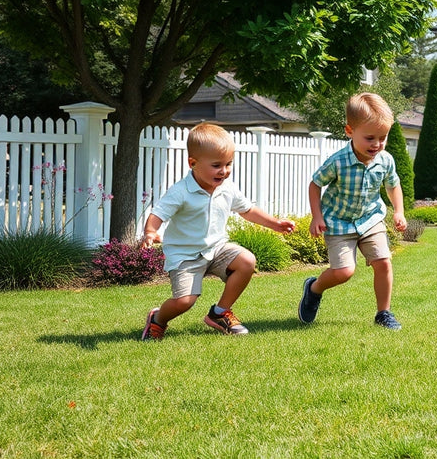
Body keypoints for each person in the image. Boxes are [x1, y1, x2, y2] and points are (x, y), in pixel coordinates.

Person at [140, 123, 295, 340]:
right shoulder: (181, 191)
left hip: (216, 248)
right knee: (184, 302)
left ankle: (219, 313)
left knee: (246, 261)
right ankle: (158, 319)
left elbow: (247, 210)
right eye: (216, 165)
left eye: (228, 164)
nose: (224, 171)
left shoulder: (227, 188)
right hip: (185, 255)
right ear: (193, 163)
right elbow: (159, 213)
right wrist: (150, 231)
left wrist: (275, 224)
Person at [299, 92, 408, 330]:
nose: (377, 144)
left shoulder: (386, 160)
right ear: (350, 131)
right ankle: (314, 288)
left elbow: (393, 184)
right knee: (344, 272)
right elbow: (315, 184)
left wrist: (398, 211)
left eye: (383, 137)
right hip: (338, 222)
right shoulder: (338, 161)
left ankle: (384, 313)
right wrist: (317, 216)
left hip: (370, 219)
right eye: (370, 138)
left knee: (383, 262)